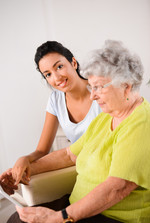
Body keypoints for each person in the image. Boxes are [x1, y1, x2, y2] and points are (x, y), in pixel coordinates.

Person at [1, 40, 150, 223]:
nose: (92, 96)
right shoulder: (107, 116)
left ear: (126, 86)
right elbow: (69, 155)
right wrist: (25, 170)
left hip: (121, 219)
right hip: (85, 207)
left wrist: (60, 218)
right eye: (91, 87)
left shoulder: (143, 124)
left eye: (99, 88)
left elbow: (117, 188)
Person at [11, 41, 101, 184]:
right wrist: (25, 159)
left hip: (104, 165)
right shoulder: (55, 100)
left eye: (59, 67)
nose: (57, 78)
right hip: (80, 167)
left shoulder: (100, 90)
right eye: (48, 74)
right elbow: (42, 150)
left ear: (73, 63)